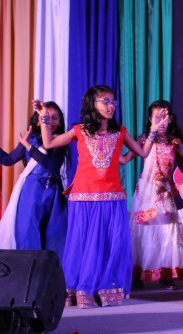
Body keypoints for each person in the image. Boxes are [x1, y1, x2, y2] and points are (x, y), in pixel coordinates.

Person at [39, 85, 164, 308]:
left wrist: (153, 130)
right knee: (85, 244)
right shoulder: (79, 130)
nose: (110, 106)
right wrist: (44, 119)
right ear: (92, 104)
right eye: (105, 101)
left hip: (112, 196)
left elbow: (143, 152)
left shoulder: (120, 132)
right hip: (84, 196)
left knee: (112, 244)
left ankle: (105, 288)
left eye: (113, 102)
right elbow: (48, 144)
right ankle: (83, 289)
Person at [122, 100, 183, 290]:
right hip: (146, 193)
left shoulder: (174, 141)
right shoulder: (144, 139)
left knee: (167, 233)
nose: (162, 121)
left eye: (165, 117)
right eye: (158, 117)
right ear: (150, 119)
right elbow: (126, 158)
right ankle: (137, 274)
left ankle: (165, 274)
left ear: (170, 119)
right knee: (144, 232)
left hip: (165, 193)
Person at [0, 101, 69, 256]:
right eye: (45, 118)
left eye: (55, 118)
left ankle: (52, 270)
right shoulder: (31, 139)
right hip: (30, 193)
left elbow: (50, 165)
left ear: (60, 122)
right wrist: (27, 144)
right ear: (38, 121)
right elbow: (8, 160)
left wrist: (28, 147)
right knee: (28, 233)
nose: (50, 122)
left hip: (53, 194)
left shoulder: (61, 140)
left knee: (55, 236)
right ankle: (30, 269)